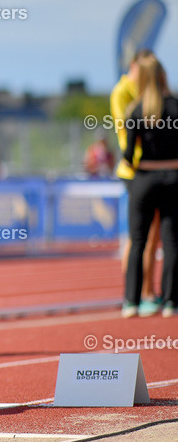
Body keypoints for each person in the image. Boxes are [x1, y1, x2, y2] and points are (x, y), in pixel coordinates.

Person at [120, 55, 178, 318]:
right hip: (174, 178)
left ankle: (131, 301)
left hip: (144, 178)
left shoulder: (135, 109)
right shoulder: (176, 107)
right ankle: (170, 301)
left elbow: (128, 154)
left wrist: (137, 167)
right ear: (163, 75)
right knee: (171, 241)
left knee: (138, 240)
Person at [112, 50, 162, 315]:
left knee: (154, 236)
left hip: (151, 169)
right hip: (135, 171)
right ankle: (135, 292)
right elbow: (125, 132)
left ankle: (148, 290)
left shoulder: (148, 92)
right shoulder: (123, 92)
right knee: (138, 234)